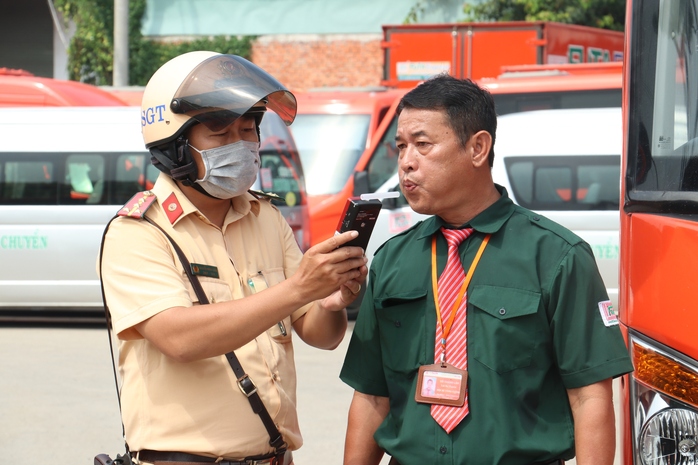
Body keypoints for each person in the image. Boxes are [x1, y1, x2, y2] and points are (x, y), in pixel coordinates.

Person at [339, 74, 633, 465]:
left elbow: (589, 396)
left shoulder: (557, 256)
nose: (407, 162)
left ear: (478, 148)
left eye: (422, 145)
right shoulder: (393, 259)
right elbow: (371, 395)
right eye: (401, 147)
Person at [98, 51, 367, 465]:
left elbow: (321, 335)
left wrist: (331, 301)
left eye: (248, 130)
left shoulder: (266, 218)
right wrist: (298, 288)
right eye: (220, 135)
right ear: (176, 146)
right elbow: (180, 339)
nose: (240, 146)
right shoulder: (139, 231)